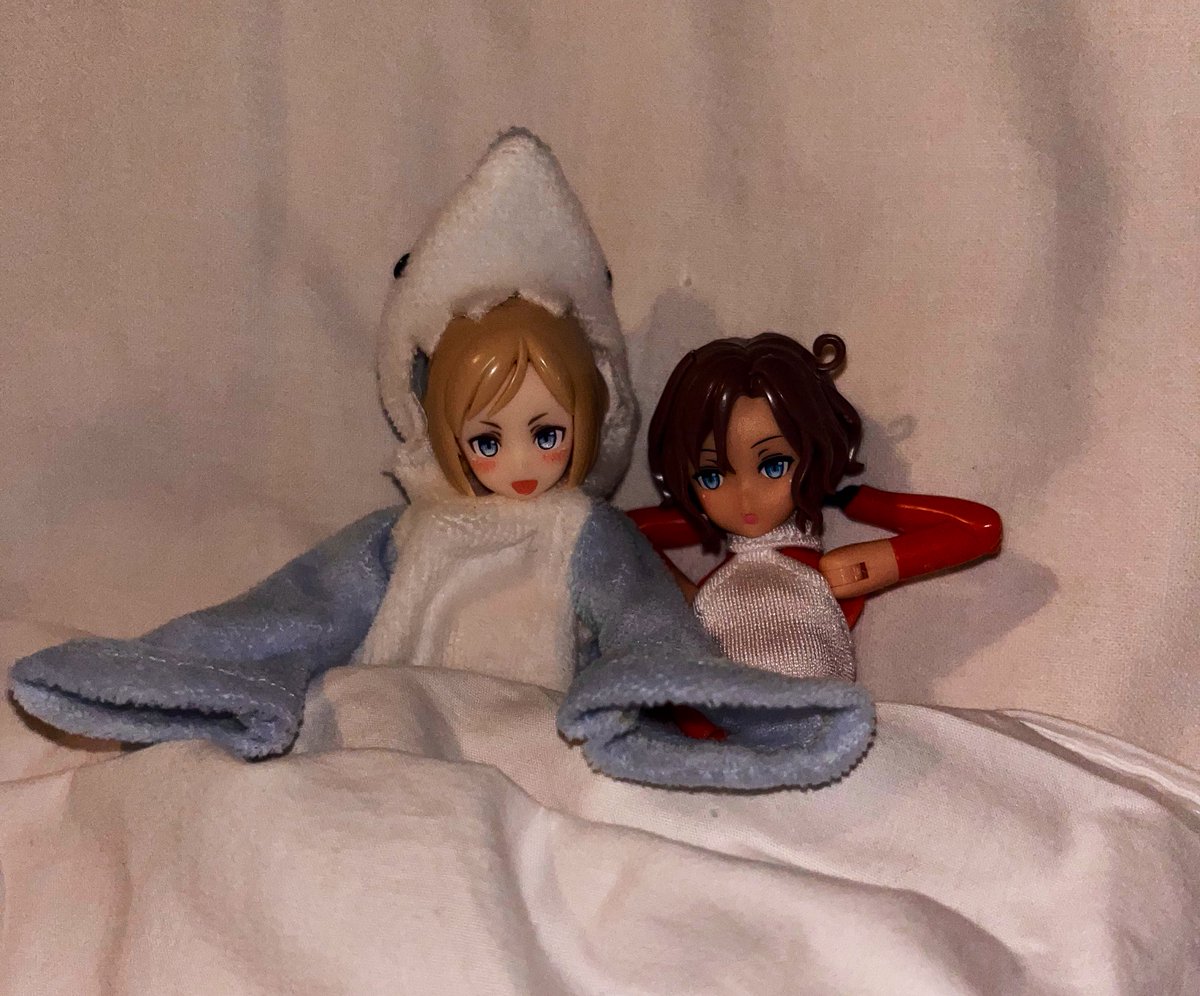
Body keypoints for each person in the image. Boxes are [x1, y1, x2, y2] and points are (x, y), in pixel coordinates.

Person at [10, 131, 875, 790]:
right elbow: (295, 612)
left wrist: (714, 698)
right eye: (487, 440)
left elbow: (647, 625)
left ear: (590, 418)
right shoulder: (404, 533)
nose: (521, 463)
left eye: (546, 433)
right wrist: (175, 671)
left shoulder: (586, 533)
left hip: (531, 734)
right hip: (390, 724)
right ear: (442, 435)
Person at [632, 332, 1002, 682]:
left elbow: (981, 530)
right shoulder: (708, 597)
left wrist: (867, 503)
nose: (745, 497)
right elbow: (620, 529)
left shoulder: (836, 573)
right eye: (711, 476)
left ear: (813, 456)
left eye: (773, 467)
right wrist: (692, 524)